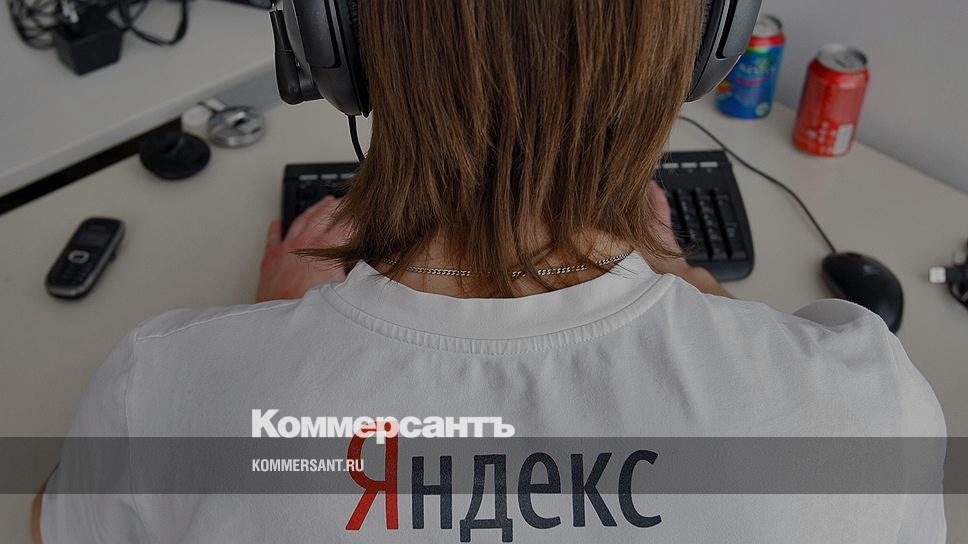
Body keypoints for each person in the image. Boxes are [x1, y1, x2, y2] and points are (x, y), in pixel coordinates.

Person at [35, 1, 945, 542]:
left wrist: (264, 336)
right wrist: (687, 283)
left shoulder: (168, 387)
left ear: (330, 39)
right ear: (711, 37)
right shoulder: (863, 410)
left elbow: (58, 526)